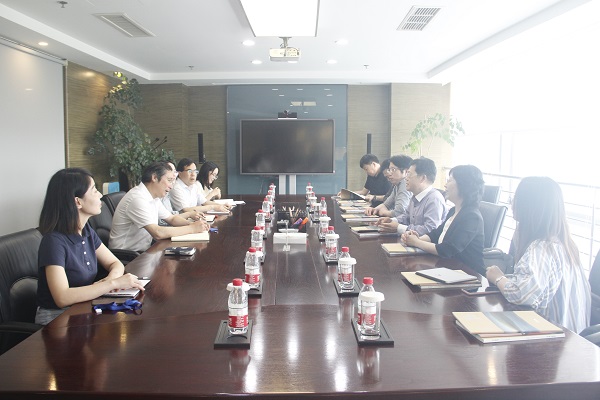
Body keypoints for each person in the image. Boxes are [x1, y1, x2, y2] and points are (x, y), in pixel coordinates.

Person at [35, 168, 146, 325]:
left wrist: (110, 280)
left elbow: (115, 263)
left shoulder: (86, 231)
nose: (100, 195)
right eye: (94, 190)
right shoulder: (54, 241)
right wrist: (113, 284)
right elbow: (62, 297)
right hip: (57, 320)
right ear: (78, 202)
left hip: (83, 308)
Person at [486, 177, 591, 333]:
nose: (512, 203)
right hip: (570, 335)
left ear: (529, 206)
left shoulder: (543, 247)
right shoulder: (564, 242)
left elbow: (522, 295)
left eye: (516, 198)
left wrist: (498, 277)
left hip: (555, 337)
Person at [109, 162, 210, 252]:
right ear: (154, 177)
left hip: (145, 250)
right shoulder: (137, 198)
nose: (171, 186)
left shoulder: (154, 197)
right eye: (169, 180)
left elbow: (172, 219)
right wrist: (192, 228)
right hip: (127, 256)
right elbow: (157, 233)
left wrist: (194, 225)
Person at [402, 164, 484, 273]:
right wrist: (415, 239)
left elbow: (447, 249)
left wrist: (416, 242)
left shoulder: (472, 217)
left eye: (449, 181)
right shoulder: (453, 210)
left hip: (466, 273)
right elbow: (436, 234)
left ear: (464, 185)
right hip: (446, 268)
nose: (445, 185)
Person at [376, 157, 447, 236]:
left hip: (422, 243)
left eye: (409, 174)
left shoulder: (434, 199)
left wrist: (399, 227)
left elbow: (431, 230)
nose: (406, 178)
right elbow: (406, 217)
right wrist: (392, 221)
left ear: (422, 178)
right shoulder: (415, 196)